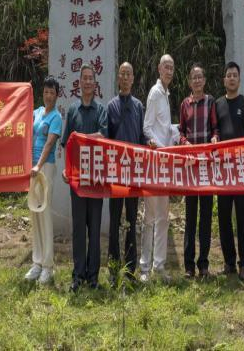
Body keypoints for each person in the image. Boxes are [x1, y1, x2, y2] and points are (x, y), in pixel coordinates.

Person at [61, 64, 108, 292]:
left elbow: (103, 137)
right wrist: (66, 169)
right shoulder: (72, 110)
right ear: (79, 82)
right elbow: (66, 144)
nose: (88, 82)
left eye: (91, 78)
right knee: (79, 229)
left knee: (95, 229)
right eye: (85, 78)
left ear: (95, 83)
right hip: (78, 180)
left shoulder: (101, 110)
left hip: (96, 179)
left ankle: (93, 277)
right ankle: (78, 276)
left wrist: (81, 137)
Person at [215, 61, 244, 281]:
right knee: (224, 218)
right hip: (223, 171)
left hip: (241, 170)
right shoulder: (218, 104)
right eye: (228, 75)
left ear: (239, 80)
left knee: (242, 217)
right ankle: (229, 262)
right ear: (224, 80)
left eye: (235, 75)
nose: (231, 78)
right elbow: (214, 130)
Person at [140, 54, 179, 283]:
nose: (169, 71)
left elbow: (164, 127)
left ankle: (159, 265)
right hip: (154, 162)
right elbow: (147, 127)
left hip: (166, 164)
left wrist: (177, 133)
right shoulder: (155, 93)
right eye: (166, 67)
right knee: (150, 216)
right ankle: (145, 267)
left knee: (163, 216)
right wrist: (161, 148)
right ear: (159, 68)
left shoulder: (166, 94)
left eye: (172, 67)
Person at [107, 62, 146, 285]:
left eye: (128, 74)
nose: (125, 77)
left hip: (134, 173)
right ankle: (113, 269)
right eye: (122, 73)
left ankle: (130, 271)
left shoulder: (138, 106)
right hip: (115, 172)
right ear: (118, 78)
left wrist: (150, 144)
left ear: (132, 78)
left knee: (132, 219)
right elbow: (106, 139)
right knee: (114, 221)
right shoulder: (111, 106)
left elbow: (141, 136)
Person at [179, 64, 218, 278]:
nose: (196, 80)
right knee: (190, 217)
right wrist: (184, 142)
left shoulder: (210, 102)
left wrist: (215, 139)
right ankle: (188, 265)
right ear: (189, 82)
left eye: (199, 77)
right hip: (190, 167)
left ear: (204, 80)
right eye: (193, 77)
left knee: (205, 217)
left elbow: (215, 128)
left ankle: (203, 263)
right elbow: (181, 132)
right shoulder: (185, 104)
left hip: (206, 167)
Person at [25, 76, 62, 285]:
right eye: (46, 91)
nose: (48, 95)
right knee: (34, 213)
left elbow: (49, 144)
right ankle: (37, 263)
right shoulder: (37, 113)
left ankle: (48, 266)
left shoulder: (56, 117)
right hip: (32, 169)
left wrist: (38, 166)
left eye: (52, 92)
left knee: (44, 214)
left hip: (45, 168)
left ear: (57, 95)